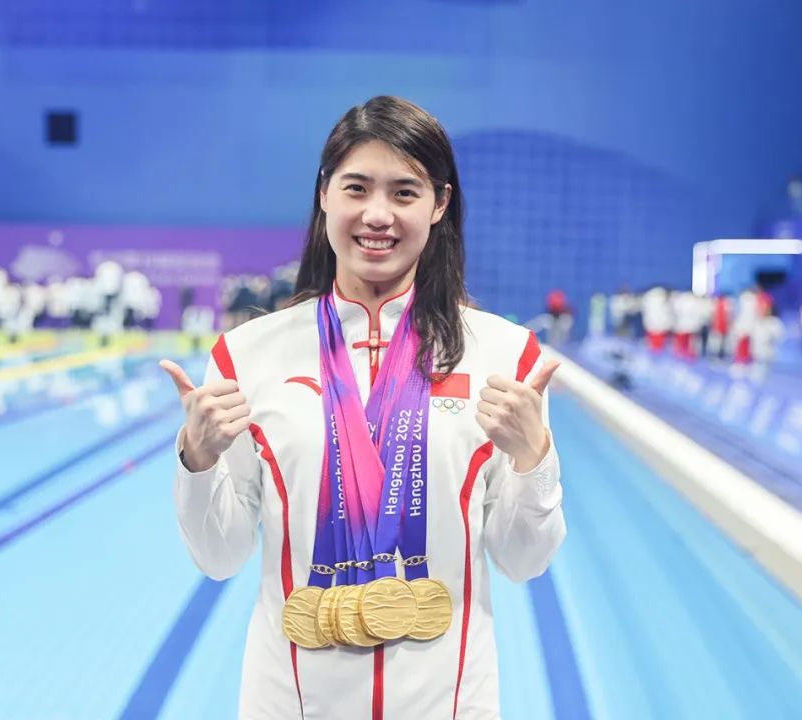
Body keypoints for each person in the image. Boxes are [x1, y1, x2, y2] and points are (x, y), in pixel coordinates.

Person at [160, 96, 566, 720]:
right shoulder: (246, 356)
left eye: (405, 192)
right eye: (357, 188)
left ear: (440, 204)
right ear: (324, 194)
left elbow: (523, 560)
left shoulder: (505, 356)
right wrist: (198, 460)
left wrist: (533, 459)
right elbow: (220, 557)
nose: (378, 214)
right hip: (289, 704)